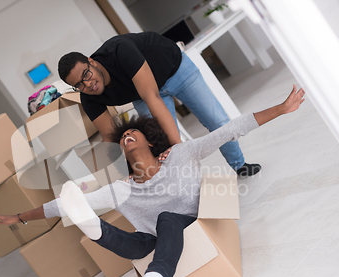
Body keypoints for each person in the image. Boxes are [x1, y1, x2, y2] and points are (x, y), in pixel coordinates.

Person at [0, 86, 305, 277]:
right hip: (152, 240)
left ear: (150, 139)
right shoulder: (122, 188)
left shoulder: (181, 154)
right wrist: (19, 217)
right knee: (128, 238)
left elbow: (230, 130)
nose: (127, 136)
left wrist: (281, 108)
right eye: (123, 137)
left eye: (133, 133)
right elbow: (61, 206)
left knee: (167, 218)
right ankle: (93, 227)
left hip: (190, 220)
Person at [58, 31, 261, 177]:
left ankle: (240, 166)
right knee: (160, 144)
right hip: (142, 93)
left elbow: (152, 97)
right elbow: (111, 138)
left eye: (86, 74)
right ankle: (189, 187)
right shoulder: (88, 97)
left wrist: (180, 150)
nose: (88, 84)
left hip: (176, 70)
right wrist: (130, 173)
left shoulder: (120, 51)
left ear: (92, 62)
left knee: (217, 120)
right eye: (78, 85)